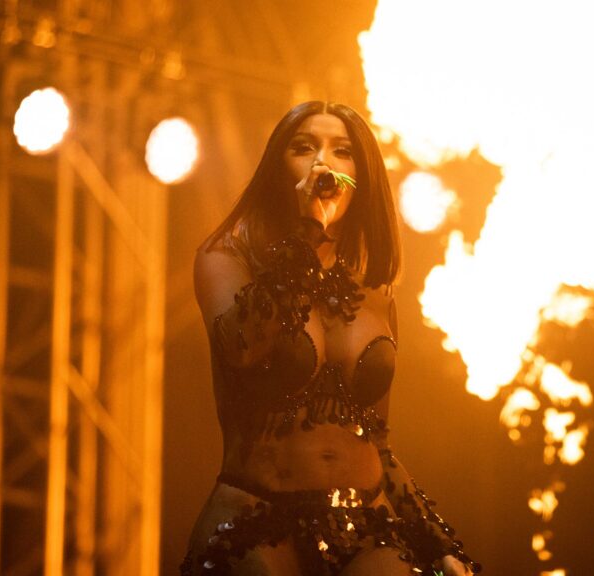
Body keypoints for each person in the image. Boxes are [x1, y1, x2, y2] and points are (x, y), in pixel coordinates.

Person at [181, 101, 480, 576]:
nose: (323, 162)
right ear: (277, 169)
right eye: (304, 148)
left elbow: (378, 442)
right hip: (256, 520)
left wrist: (437, 541)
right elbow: (241, 346)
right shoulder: (227, 257)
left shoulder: (375, 291)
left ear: (361, 177)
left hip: (365, 526)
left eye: (342, 151)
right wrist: (307, 232)